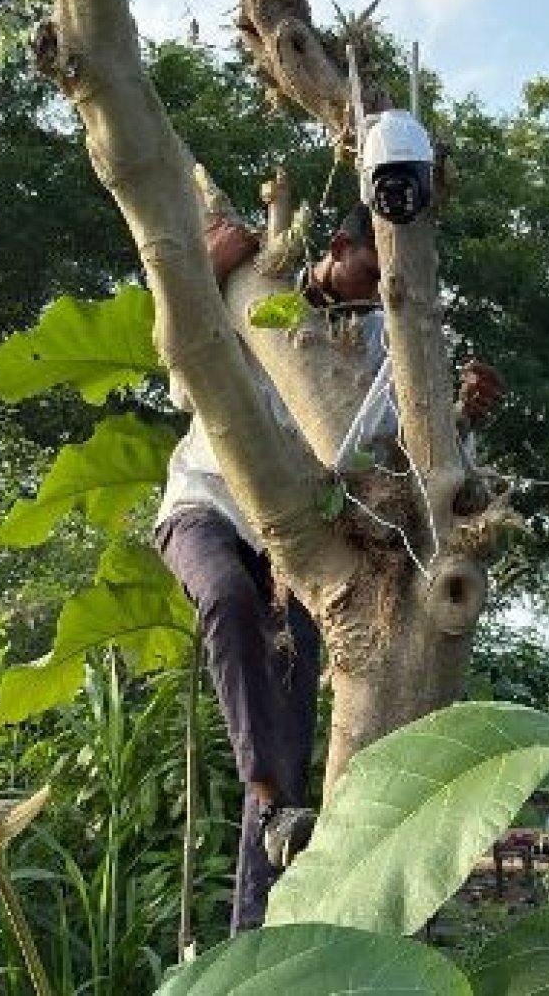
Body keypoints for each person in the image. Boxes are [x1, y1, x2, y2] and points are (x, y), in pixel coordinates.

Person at [155, 202, 502, 932]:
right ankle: (270, 799)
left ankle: (258, 935)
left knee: (290, 736)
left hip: (299, 553)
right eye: (368, 273)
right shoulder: (257, 287)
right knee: (223, 597)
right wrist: (208, 275)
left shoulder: (385, 350)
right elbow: (183, 379)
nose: (374, 293)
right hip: (206, 509)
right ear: (338, 247)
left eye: (387, 284)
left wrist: (460, 418)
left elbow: (405, 462)